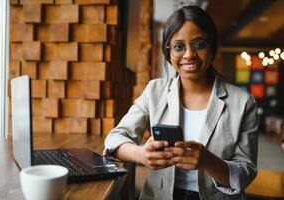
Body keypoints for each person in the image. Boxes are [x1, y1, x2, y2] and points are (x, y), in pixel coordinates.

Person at [104, 6, 258, 200]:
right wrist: (141, 154)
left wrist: (208, 161)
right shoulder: (155, 91)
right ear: (168, 54)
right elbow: (114, 139)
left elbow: (246, 173)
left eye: (199, 44)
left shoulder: (243, 102)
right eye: (179, 46)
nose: (189, 55)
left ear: (212, 48)